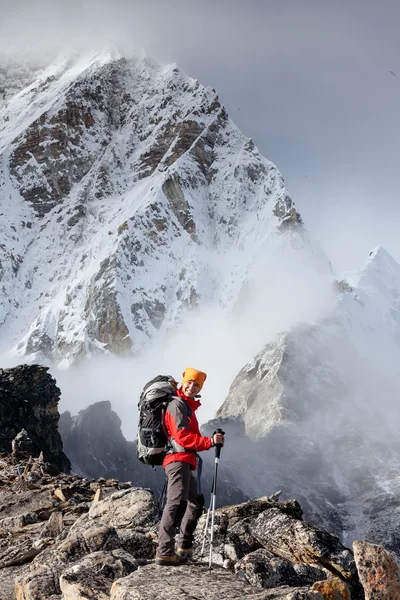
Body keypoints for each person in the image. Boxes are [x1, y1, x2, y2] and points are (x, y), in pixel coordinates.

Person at [156, 367, 225, 566]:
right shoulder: (177, 405)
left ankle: (184, 546)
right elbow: (182, 437)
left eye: (196, 385)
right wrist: (209, 442)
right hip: (177, 460)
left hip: (185, 461)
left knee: (195, 501)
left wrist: (210, 441)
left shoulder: (187, 408)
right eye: (189, 382)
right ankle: (164, 552)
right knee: (175, 502)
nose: (192, 387)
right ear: (182, 382)